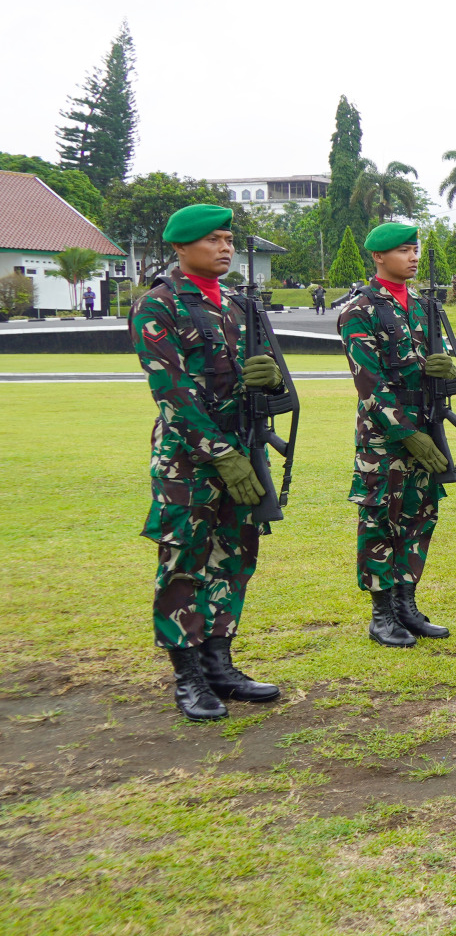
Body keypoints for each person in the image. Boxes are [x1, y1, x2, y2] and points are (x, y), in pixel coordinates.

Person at [130, 202, 284, 720]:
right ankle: (188, 676)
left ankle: (220, 662)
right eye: (213, 240)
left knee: (235, 558)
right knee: (184, 561)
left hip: (242, 448)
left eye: (228, 240)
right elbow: (171, 392)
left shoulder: (240, 307)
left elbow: (266, 380)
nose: (225, 248)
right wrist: (220, 455)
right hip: (189, 461)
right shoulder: (159, 305)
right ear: (180, 247)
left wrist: (267, 382)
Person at [336, 221, 456, 647]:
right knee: (379, 518)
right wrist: (406, 432)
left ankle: (406, 602)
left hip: (424, 423)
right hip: (384, 437)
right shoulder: (360, 310)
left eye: (415, 249)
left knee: (419, 514)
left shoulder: (423, 307)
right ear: (378, 257)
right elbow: (368, 381)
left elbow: (424, 364)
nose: (414, 256)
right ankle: (382, 612)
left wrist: (439, 372)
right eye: (404, 250)